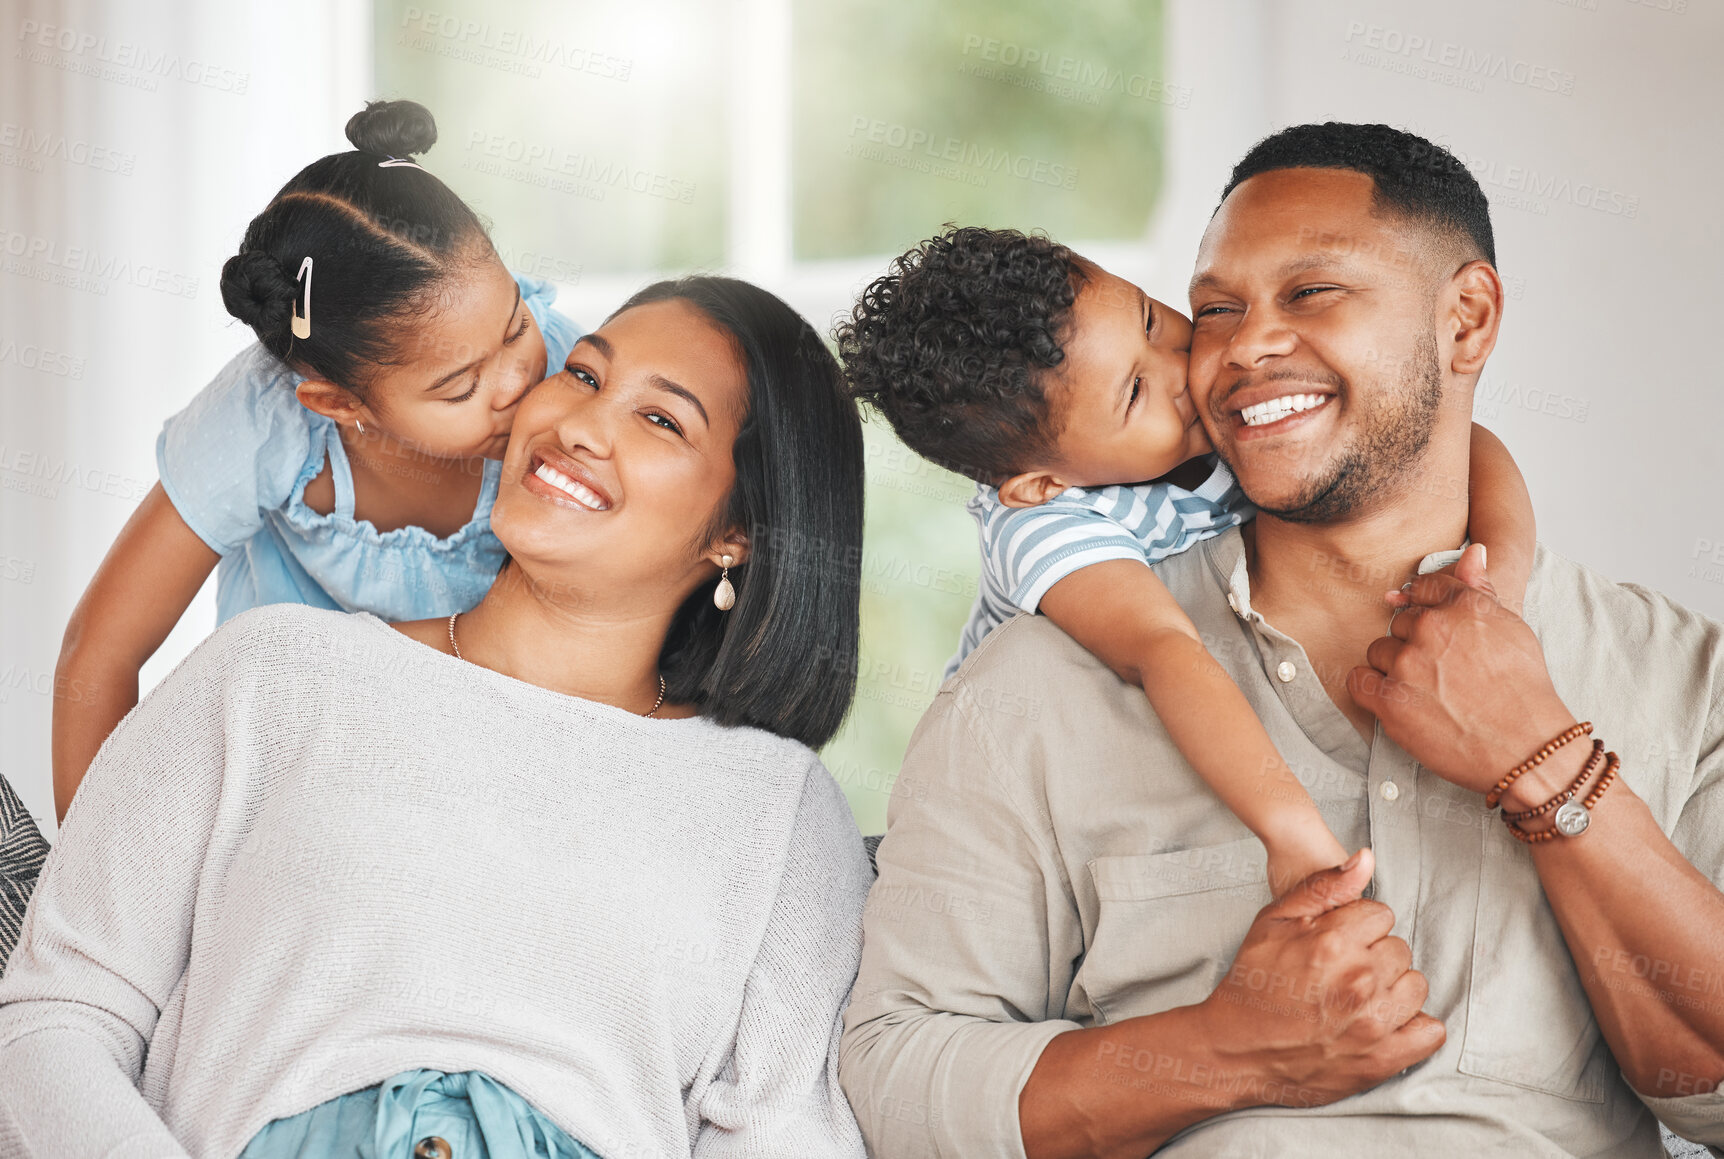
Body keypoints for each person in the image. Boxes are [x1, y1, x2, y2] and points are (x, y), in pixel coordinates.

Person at [839, 123, 1724, 1157]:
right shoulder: (1032, 682)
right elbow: (895, 1079)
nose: (1240, 346)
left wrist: (1543, 754)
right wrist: (1228, 1049)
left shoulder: (1676, 674)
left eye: (1311, 293)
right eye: (1214, 308)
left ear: (1465, 319)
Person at [0, 277, 871, 1159]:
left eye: (662, 421)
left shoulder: (782, 812)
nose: (578, 424)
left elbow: (783, 1132)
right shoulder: (269, 674)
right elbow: (59, 1013)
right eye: (581, 375)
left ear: (739, 533)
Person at [836, 225, 1535, 895]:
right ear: (1042, 481)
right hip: (1005, 805)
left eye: (1149, 320)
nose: (1180, 368)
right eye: (1135, 391)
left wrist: (1495, 586)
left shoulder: (1213, 426)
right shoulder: (1043, 526)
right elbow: (1164, 651)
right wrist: (1289, 831)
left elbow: (1468, 441)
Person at [49, 99, 580, 821]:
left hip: (477, 772)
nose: (519, 381)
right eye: (460, 386)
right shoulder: (262, 418)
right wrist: (90, 886)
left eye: (517, 324)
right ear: (340, 404)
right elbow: (99, 651)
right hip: (288, 779)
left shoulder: (569, 378)